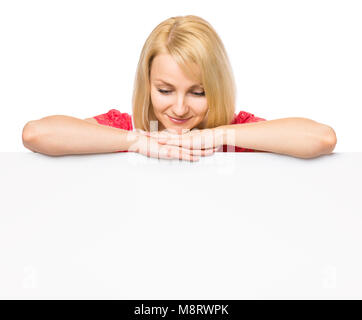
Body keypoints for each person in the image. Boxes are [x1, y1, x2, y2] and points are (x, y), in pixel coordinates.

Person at [22, 15, 337, 161]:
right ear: (147, 85)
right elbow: (36, 134)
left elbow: (321, 138)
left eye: (198, 92)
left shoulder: (235, 131)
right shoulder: (128, 129)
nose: (180, 108)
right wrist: (136, 141)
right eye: (165, 90)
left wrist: (216, 135)